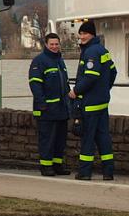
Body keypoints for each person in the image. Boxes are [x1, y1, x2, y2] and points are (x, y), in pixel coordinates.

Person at [68, 20, 116, 180]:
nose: (82, 36)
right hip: (102, 103)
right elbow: (113, 72)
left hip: (90, 105)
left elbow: (90, 77)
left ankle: (85, 172)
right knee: (103, 138)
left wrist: (75, 91)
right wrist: (104, 90)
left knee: (87, 138)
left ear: (92, 35)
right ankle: (108, 172)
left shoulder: (90, 52)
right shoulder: (103, 50)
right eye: (80, 33)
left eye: (85, 33)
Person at [27, 32, 71, 176]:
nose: (54, 46)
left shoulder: (60, 61)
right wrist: (42, 104)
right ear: (46, 45)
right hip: (46, 110)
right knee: (47, 140)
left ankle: (57, 165)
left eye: (56, 44)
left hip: (61, 109)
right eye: (51, 44)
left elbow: (65, 84)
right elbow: (35, 85)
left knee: (60, 140)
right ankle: (46, 166)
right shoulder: (39, 61)